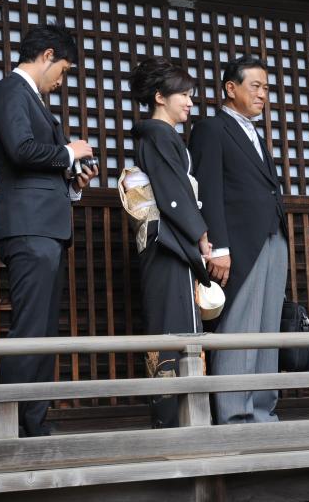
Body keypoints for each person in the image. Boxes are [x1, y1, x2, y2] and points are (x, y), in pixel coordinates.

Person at [0, 23, 98, 437]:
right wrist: (70, 151)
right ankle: (7, 423)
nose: (61, 80)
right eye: (64, 70)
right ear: (47, 55)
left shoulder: (28, 97)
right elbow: (20, 150)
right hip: (29, 227)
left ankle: (30, 421)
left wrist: (72, 181)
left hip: (44, 226)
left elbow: (36, 161)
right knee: (31, 329)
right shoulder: (12, 90)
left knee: (42, 330)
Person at [189, 55, 287, 425]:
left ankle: (262, 410)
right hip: (238, 243)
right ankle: (234, 415)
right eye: (255, 87)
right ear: (231, 88)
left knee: (267, 328)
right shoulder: (211, 129)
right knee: (240, 326)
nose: (263, 95)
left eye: (265, 87)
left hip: (270, 235)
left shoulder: (253, 131)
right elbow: (209, 189)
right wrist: (219, 247)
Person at [122, 58, 213, 428]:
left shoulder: (161, 135)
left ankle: (178, 416)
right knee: (175, 328)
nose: (190, 103)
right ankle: (175, 419)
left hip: (170, 241)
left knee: (176, 326)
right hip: (169, 242)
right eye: (184, 95)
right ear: (160, 97)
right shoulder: (158, 135)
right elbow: (173, 193)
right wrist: (201, 234)